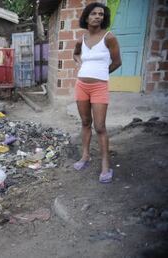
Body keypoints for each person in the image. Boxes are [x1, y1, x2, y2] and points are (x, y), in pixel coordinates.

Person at [73, 3, 121, 183]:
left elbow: (117, 62)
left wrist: (100, 73)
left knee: (100, 126)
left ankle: (105, 165)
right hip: (81, 85)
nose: (98, 16)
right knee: (85, 122)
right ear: (86, 17)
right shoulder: (81, 39)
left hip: (99, 86)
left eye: (101, 14)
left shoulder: (109, 38)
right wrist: (81, 65)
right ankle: (85, 156)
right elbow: (76, 54)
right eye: (93, 14)